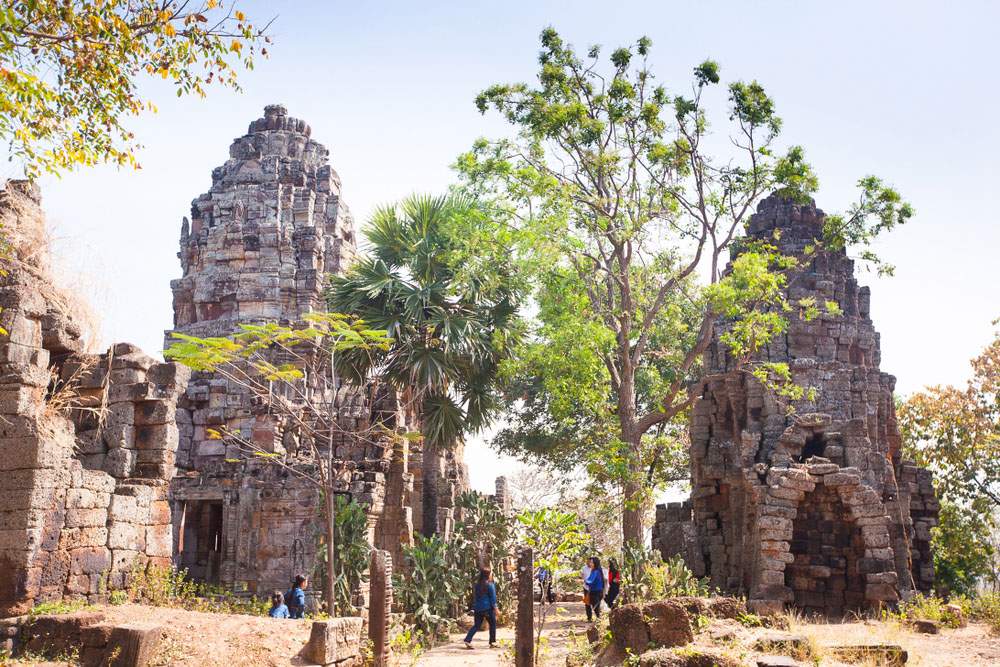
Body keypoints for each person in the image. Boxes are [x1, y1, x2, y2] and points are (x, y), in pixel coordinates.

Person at [463, 569, 498, 649]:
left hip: (478, 608)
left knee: (477, 625)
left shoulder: (477, 585)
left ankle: (467, 640)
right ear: (488, 575)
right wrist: (496, 609)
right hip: (487, 608)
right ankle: (492, 642)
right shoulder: (490, 585)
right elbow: (493, 598)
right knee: (492, 624)